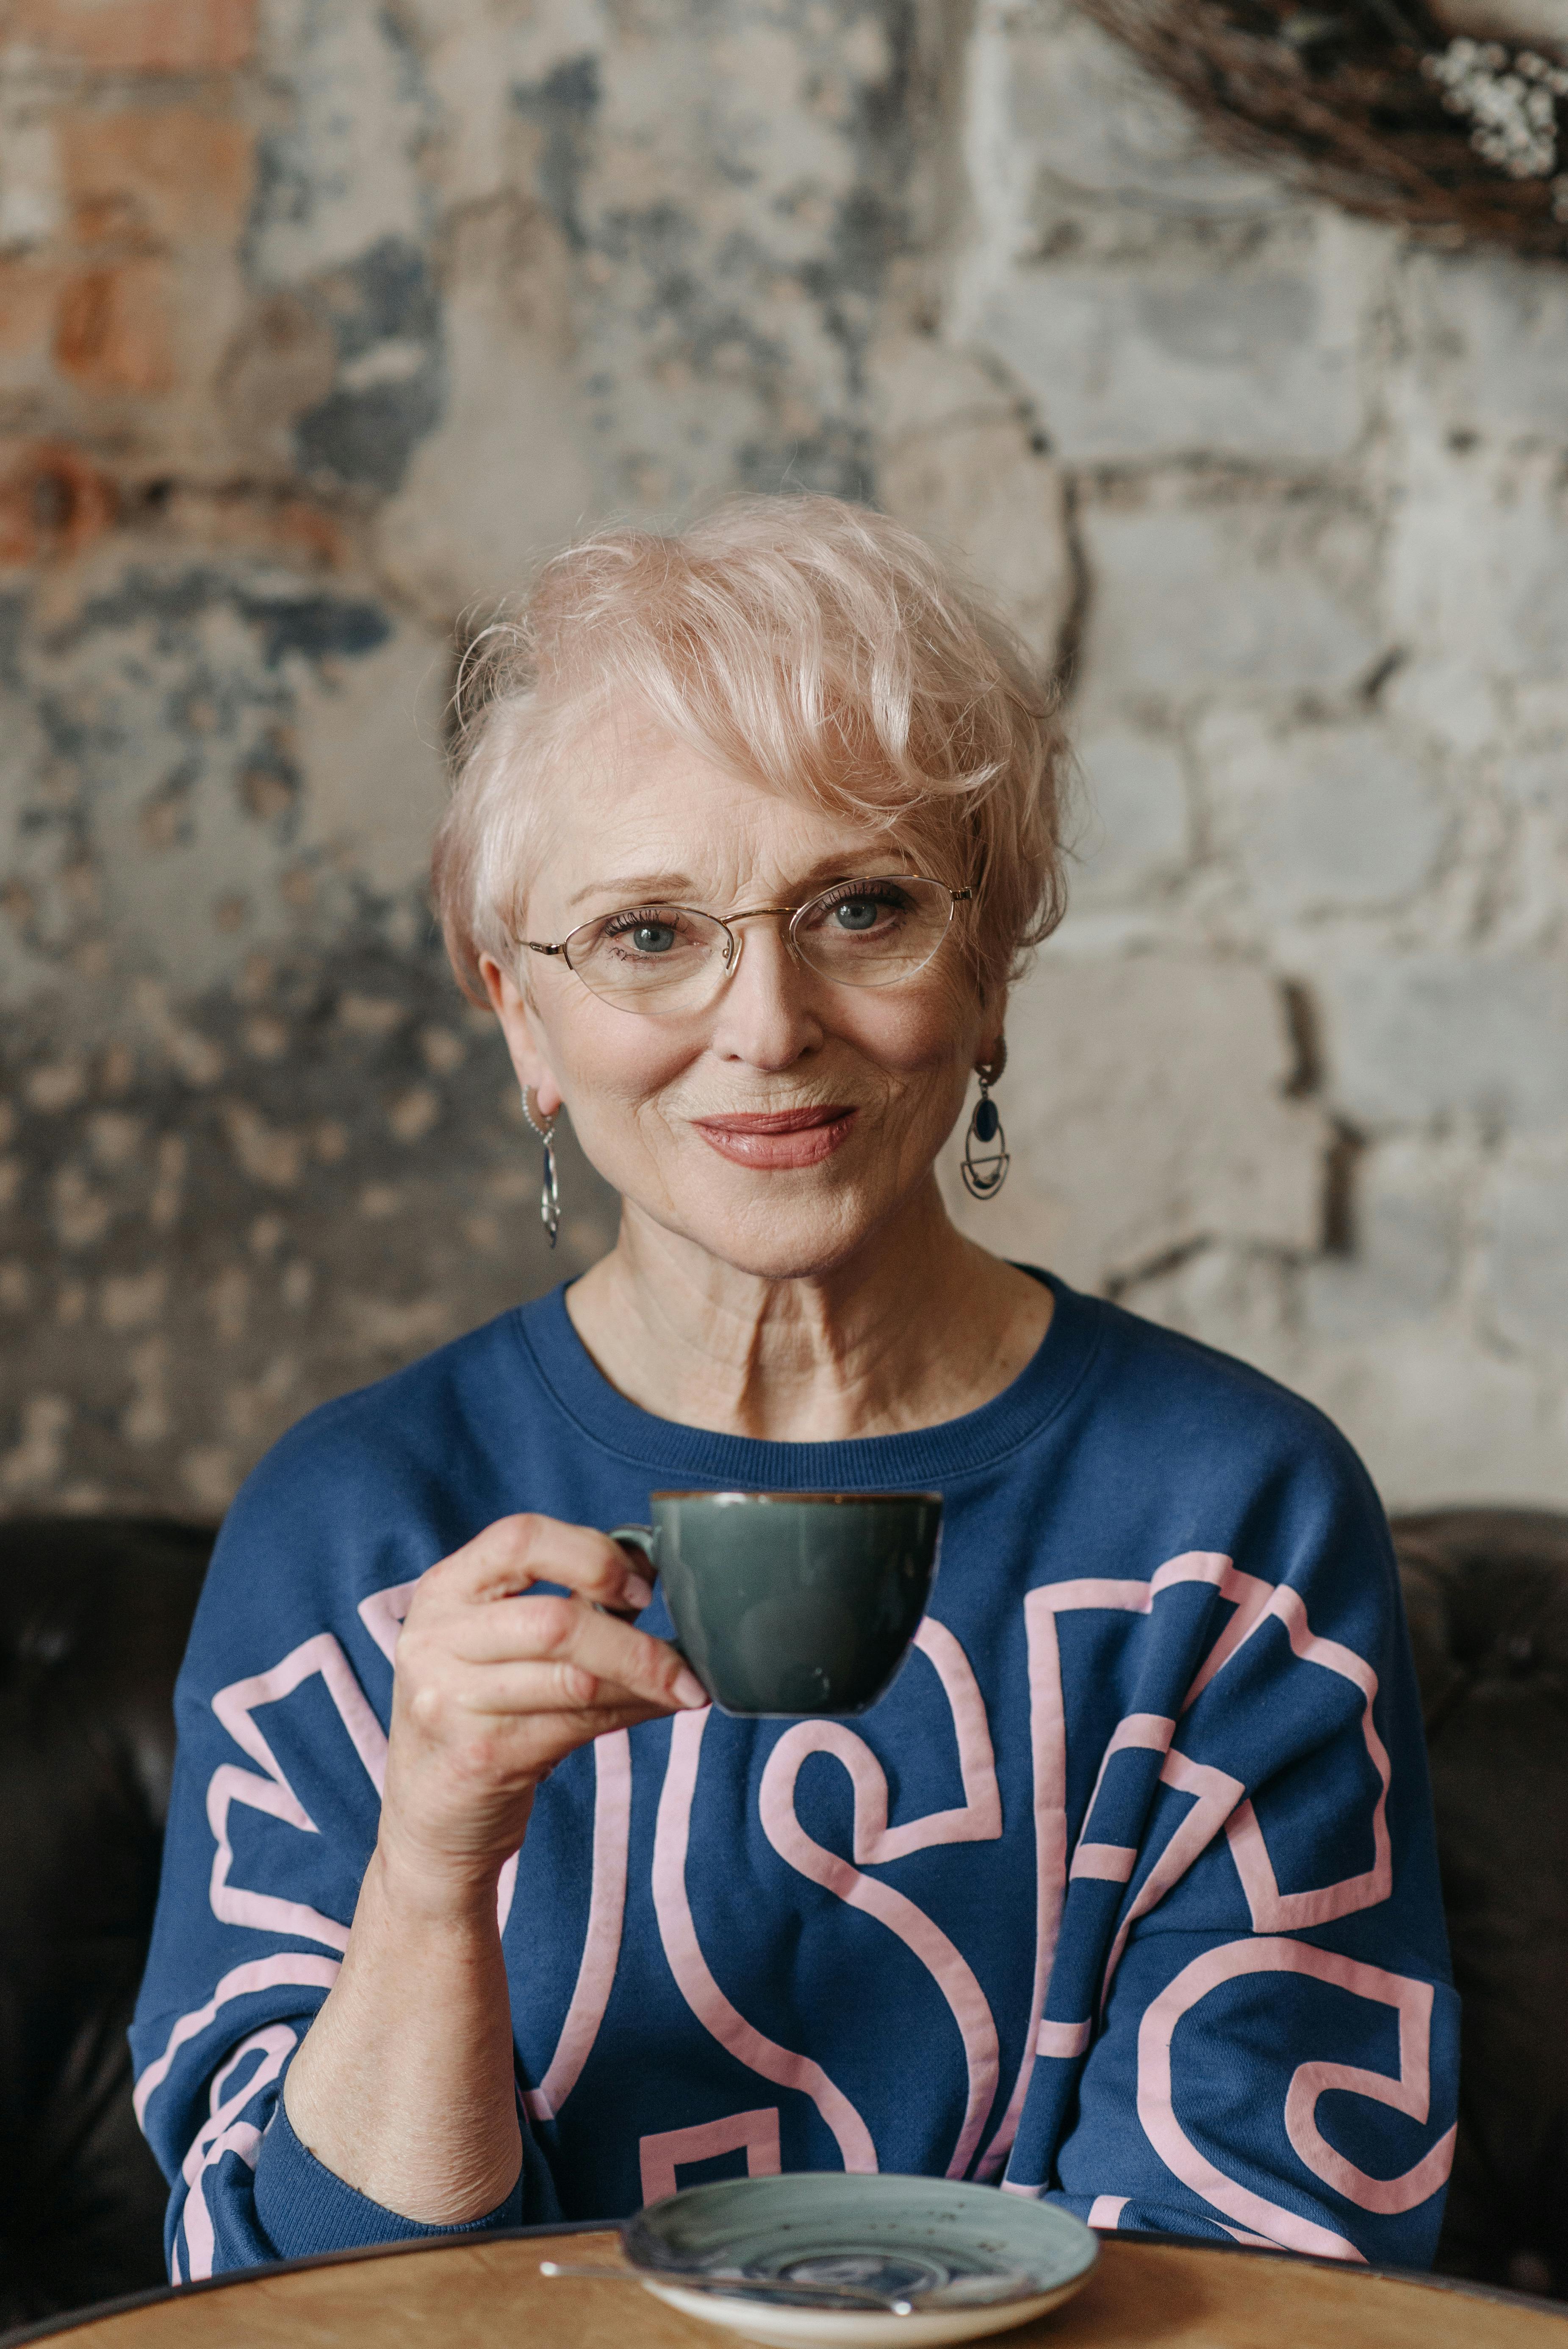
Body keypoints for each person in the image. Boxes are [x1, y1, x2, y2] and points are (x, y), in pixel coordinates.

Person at [133, 496, 1457, 2282]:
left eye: (860, 905)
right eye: (648, 934)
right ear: (518, 1012)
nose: (764, 1021)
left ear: (988, 968)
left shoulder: (1226, 1513)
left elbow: (1265, 2266)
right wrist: (432, 1866)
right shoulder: (354, 1524)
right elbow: (288, 2302)